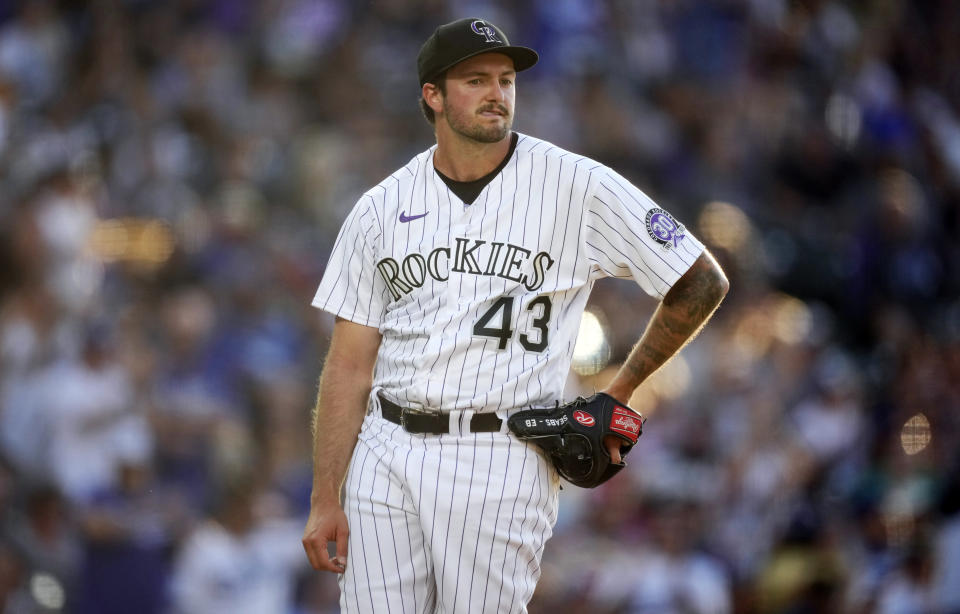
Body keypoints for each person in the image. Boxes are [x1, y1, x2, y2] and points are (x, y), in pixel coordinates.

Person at [302, 17, 729, 613]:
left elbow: (699, 278)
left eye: (505, 80)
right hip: (386, 448)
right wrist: (326, 496)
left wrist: (620, 391)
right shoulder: (380, 208)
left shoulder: (575, 184)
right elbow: (348, 365)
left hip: (501, 454)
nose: (497, 93)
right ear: (432, 95)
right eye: (476, 80)